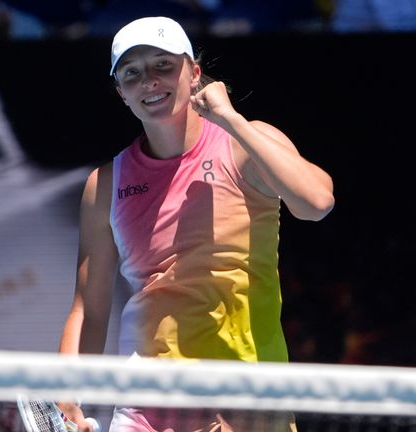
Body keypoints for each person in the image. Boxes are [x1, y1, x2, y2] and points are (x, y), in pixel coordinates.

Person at [58, 16, 334, 431]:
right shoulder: (105, 185)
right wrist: (66, 395)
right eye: (132, 73)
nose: (149, 80)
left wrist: (232, 120)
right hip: (147, 406)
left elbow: (316, 202)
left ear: (195, 73)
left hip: (249, 402)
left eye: (162, 65)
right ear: (121, 94)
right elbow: (90, 309)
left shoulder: (245, 145)